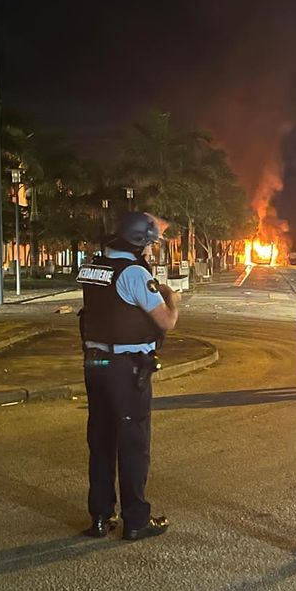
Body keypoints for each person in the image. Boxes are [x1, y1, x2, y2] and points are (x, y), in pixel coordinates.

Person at [76, 212, 181, 541]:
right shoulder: (134, 273)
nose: (151, 250)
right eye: (149, 244)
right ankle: (136, 519)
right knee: (133, 443)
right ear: (138, 242)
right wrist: (172, 299)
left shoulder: (95, 267)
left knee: (101, 440)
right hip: (126, 367)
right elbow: (165, 322)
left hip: (95, 364)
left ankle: (100, 516)